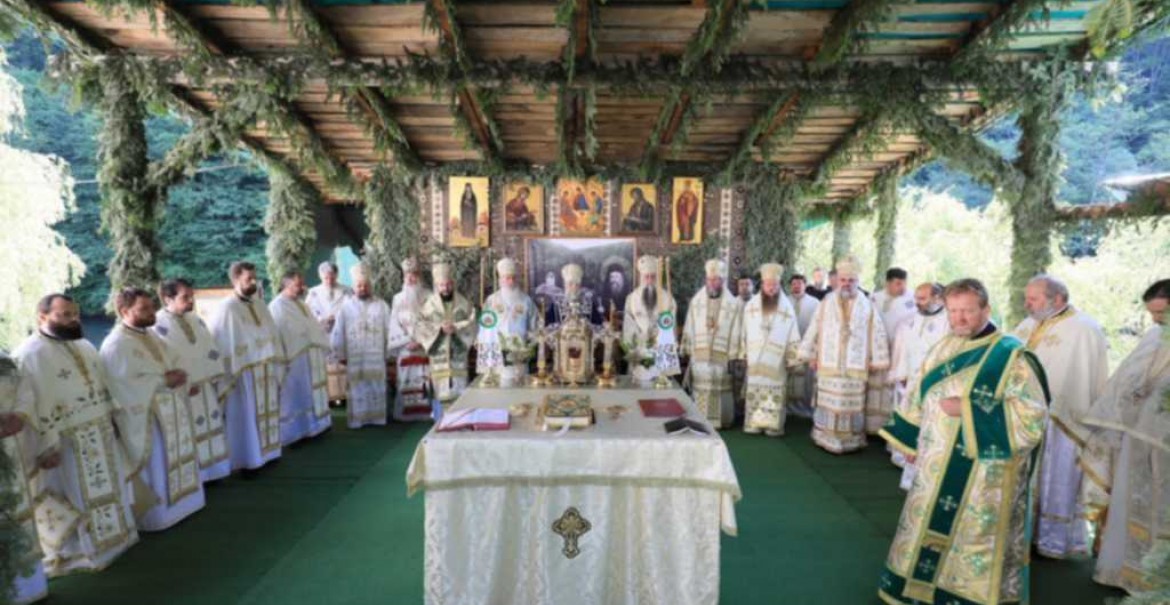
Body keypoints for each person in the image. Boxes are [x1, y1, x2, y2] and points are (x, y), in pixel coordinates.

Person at [878, 278, 1049, 605]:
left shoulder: (1011, 356)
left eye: (967, 311)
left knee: (971, 539)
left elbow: (1032, 417)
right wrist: (911, 441)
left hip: (982, 474)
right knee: (925, 527)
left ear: (986, 309)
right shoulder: (945, 346)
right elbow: (918, 391)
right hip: (935, 464)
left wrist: (967, 410)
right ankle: (918, 591)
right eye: (953, 311)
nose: (959, 318)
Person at [13, 293, 138, 575]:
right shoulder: (29, 354)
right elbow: (33, 406)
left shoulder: (84, 345)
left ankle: (117, 540)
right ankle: (79, 554)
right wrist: (46, 447)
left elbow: (103, 385)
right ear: (42, 317)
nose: (73, 320)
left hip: (99, 431)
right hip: (64, 442)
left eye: (74, 314)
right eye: (64, 315)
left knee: (108, 488)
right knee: (74, 496)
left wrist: (114, 420)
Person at [1079, 279, 1169, 593]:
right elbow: (1127, 378)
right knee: (1132, 502)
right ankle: (1127, 573)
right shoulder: (1154, 335)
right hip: (1138, 437)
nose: (1156, 320)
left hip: (1165, 445)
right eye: (1152, 314)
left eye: (1161, 313)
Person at [1013, 274, 1109, 559]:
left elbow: (1085, 378)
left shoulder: (1084, 329)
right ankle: (1023, 534)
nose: (1027, 304)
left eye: (1033, 299)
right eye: (1027, 298)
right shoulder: (1027, 324)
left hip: (1063, 422)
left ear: (1056, 299)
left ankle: (1052, 540)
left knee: (1057, 477)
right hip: (1024, 416)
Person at [101, 287, 205, 531]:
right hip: (148, 415)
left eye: (151, 307)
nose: (152, 313)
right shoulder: (116, 345)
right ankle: (160, 516)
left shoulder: (150, 335)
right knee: (158, 462)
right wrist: (163, 380)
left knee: (175, 455)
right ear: (124, 311)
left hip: (169, 410)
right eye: (144, 309)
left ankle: (185, 505)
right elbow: (121, 386)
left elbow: (174, 359)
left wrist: (183, 376)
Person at [799, 256, 890, 454]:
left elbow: (877, 332)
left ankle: (851, 440)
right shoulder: (826, 302)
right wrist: (811, 354)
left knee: (851, 405)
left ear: (857, 281)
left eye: (851, 280)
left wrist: (877, 359)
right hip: (829, 363)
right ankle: (824, 436)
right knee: (828, 403)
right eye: (843, 280)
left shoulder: (866, 305)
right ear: (837, 280)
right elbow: (815, 327)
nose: (846, 284)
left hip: (854, 366)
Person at [208, 261, 284, 472]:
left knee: (266, 411)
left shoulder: (259, 304)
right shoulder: (227, 308)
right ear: (235, 280)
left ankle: (269, 452)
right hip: (243, 372)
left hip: (265, 369)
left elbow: (271, 333)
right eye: (248, 279)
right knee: (247, 416)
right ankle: (249, 460)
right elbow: (220, 341)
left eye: (254, 278)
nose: (253, 282)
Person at [154, 278, 231, 482]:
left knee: (211, 422)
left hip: (205, 384)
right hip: (182, 390)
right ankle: (198, 475)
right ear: (167, 298)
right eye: (185, 297)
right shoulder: (157, 326)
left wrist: (213, 374)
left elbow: (209, 348)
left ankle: (215, 470)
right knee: (191, 430)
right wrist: (186, 383)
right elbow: (164, 361)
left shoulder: (195, 320)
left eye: (191, 296)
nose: (191, 301)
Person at [887, 282, 949, 481]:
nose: (917, 302)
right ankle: (902, 456)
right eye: (916, 298)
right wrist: (902, 374)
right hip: (911, 380)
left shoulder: (948, 323)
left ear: (938, 298)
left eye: (922, 298)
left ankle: (924, 463)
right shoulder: (911, 320)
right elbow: (903, 348)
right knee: (908, 416)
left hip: (933, 383)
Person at [1, 351, 48, 603]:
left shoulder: (4, 359)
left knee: (18, 511)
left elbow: (25, 389)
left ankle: (30, 588)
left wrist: (19, 415)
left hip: (11, 446)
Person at [269, 271, 332, 443]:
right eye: (298, 285)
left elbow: (311, 326)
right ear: (287, 285)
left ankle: (315, 426)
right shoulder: (277, 306)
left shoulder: (302, 304)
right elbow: (280, 333)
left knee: (309, 393)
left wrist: (321, 329)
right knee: (294, 395)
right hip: (293, 359)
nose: (302, 287)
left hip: (310, 357)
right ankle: (294, 433)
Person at [681, 259, 745, 429]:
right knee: (701, 387)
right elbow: (690, 324)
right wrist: (688, 347)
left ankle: (722, 420)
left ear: (722, 281)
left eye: (716, 280)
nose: (712, 283)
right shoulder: (696, 301)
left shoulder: (733, 304)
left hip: (722, 356)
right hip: (700, 354)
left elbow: (737, 329)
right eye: (709, 279)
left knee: (720, 387)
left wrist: (734, 352)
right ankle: (701, 418)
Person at [740, 263, 802, 436]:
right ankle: (754, 424)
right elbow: (744, 331)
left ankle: (772, 426)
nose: (771, 288)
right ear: (762, 285)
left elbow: (793, 333)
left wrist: (792, 358)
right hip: (755, 359)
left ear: (779, 285)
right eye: (768, 284)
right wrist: (742, 352)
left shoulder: (787, 308)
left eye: (774, 285)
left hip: (777, 360)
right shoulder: (751, 305)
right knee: (755, 389)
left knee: (773, 391)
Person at [331, 264, 393, 429]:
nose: (363, 288)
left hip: (376, 355)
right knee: (357, 386)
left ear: (371, 286)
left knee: (376, 385)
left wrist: (389, 352)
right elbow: (339, 331)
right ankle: (358, 419)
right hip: (355, 355)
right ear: (353, 287)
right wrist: (341, 353)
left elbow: (390, 329)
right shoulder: (345, 307)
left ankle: (377, 418)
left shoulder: (382, 305)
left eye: (366, 285)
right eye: (359, 286)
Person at [415, 260, 477, 406]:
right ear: (437, 285)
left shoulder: (464, 303)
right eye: (442, 285)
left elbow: (472, 323)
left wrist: (456, 328)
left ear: (453, 283)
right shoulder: (429, 305)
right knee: (440, 395)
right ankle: (440, 418)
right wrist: (439, 329)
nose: (446, 288)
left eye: (448, 284)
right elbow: (421, 325)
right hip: (438, 358)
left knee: (460, 398)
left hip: (458, 358)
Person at [478, 258, 537, 382]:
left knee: (521, 389)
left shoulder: (526, 300)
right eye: (507, 278)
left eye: (514, 278)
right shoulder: (491, 300)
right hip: (497, 355)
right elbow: (485, 328)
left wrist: (531, 342)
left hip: (520, 356)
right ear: (500, 279)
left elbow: (535, 325)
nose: (511, 281)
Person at [389, 258, 432, 422]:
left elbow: (433, 321)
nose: (410, 278)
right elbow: (394, 322)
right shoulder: (397, 298)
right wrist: (406, 341)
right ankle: (405, 414)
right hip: (405, 347)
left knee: (424, 380)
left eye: (414, 274)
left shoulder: (429, 296)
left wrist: (420, 341)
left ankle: (426, 413)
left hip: (424, 347)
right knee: (405, 380)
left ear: (419, 276)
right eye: (407, 275)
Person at [622, 255, 678, 382]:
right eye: (646, 277)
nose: (649, 280)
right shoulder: (632, 299)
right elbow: (628, 326)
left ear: (657, 278)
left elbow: (670, 326)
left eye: (653, 277)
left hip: (660, 349)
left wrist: (658, 336)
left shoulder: (668, 299)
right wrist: (640, 339)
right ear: (641, 278)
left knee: (660, 386)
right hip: (639, 349)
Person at [305, 261, 352, 404]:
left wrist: (337, 319)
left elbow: (352, 310)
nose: (329, 281)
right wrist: (322, 321)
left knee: (341, 365)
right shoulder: (313, 293)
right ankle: (326, 398)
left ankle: (343, 396)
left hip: (342, 334)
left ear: (336, 275)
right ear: (320, 276)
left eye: (332, 277)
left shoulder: (347, 291)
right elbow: (307, 314)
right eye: (326, 278)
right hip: (322, 335)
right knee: (323, 367)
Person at [787, 273, 819, 418]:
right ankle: (788, 408)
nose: (797, 286)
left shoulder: (815, 303)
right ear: (790, 286)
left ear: (805, 285)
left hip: (807, 346)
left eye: (800, 283)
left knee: (807, 380)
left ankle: (806, 408)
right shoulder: (784, 302)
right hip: (789, 346)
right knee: (789, 377)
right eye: (794, 284)